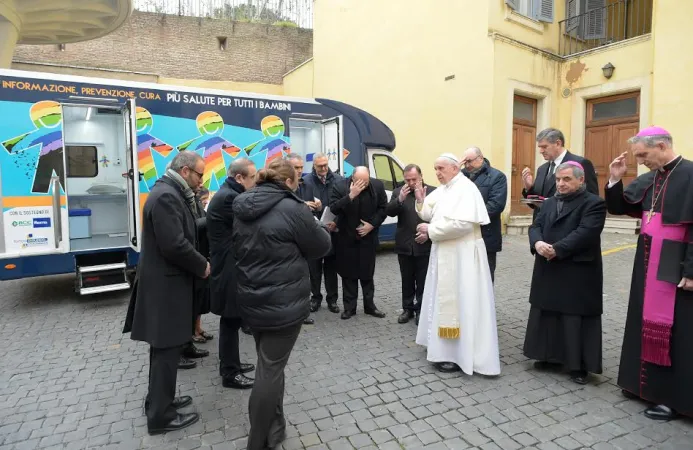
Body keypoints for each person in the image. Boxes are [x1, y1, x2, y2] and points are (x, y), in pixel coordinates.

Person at [232, 159, 332, 450]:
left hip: (252, 298)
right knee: (270, 368)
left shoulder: (240, 203)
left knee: (270, 364)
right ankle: (258, 439)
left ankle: (275, 428)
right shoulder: (294, 208)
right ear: (288, 182)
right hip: (284, 304)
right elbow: (321, 246)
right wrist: (319, 226)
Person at [605, 126, 693, 421]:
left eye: (643, 155)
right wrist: (616, 179)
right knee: (642, 320)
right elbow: (620, 207)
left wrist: (692, 270)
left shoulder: (691, 174)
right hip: (647, 258)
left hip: (676, 259)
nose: (640, 161)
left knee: (677, 330)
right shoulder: (650, 178)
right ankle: (641, 386)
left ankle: (673, 399)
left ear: (661, 145)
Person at [126, 151, 210, 434]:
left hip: (167, 285)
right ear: (185, 171)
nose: (202, 180)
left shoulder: (169, 192)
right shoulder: (166, 196)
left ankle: (159, 401)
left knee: (164, 350)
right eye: (200, 174)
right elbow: (174, 244)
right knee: (166, 351)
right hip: (166, 288)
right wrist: (202, 265)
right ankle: (160, 417)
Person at [414, 153, 500, 375]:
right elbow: (428, 213)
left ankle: (457, 354)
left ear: (455, 168)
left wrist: (430, 230)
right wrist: (420, 199)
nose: (437, 173)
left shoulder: (466, 188)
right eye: (435, 169)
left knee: (462, 302)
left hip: (462, 256)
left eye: (441, 168)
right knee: (442, 299)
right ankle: (442, 348)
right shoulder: (445, 189)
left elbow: (462, 224)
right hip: (445, 251)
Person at [524, 161, 606, 385]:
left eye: (567, 179)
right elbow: (536, 226)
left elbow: (586, 233)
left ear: (581, 180)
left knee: (573, 316)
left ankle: (577, 365)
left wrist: (557, 250)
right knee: (548, 312)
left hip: (576, 268)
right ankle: (548, 356)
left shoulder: (594, 203)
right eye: (558, 179)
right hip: (548, 266)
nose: (560, 183)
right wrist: (538, 243)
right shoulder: (549, 202)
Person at [207, 158, 256, 390]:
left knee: (233, 319)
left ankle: (231, 363)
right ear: (239, 178)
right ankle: (229, 373)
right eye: (252, 177)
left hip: (229, 264)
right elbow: (252, 219)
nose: (255, 182)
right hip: (228, 267)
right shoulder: (230, 197)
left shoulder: (228, 192)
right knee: (230, 319)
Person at [330, 166, 388, 320]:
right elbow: (334, 208)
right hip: (346, 238)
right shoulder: (340, 186)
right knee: (348, 275)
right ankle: (350, 308)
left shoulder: (377, 185)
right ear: (352, 178)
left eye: (366, 181)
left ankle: (370, 306)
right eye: (360, 181)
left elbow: (383, 209)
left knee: (367, 274)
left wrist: (371, 225)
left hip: (368, 238)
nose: (363, 184)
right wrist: (350, 195)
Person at [385, 164, 435, 325]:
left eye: (414, 179)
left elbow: (438, 217)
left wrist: (429, 233)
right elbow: (389, 211)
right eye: (408, 180)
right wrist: (399, 199)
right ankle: (407, 309)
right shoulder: (398, 192)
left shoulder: (433, 192)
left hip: (425, 244)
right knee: (406, 279)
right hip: (404, 243)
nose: (411, 183)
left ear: (421, 176)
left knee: (423, 279)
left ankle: (421, 309)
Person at [522, 128, 598, 220]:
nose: (541, 151)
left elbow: (591, 201)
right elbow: (535, 205)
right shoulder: (541, 169)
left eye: (544, 147)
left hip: (568, 226)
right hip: (540, 227)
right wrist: (529, 188)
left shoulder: (580, 163)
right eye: (540, 147)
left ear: (558, 143)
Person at [285, 153, 324, 325]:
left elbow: (311, 208)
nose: (300, 171)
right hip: (289, 240)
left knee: (305, 277)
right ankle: (291, 312)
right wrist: (302, 206)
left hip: (304, 237)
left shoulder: (307, 184)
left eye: (301, 167)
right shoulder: (282, 186)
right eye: (296, 167)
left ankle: (304, 310)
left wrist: (316, 206)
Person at [303, 153, 342, 314]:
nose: (324, 168)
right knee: (314, 268)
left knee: (331, 268)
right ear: (314, 166)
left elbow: (343, 205)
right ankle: (315, 298)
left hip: (332, 231)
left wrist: (337, 222)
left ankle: (332, 300)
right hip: (313, 231)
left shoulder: (338, 180)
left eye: (326, 164)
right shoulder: (306, 182)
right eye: (320, 166)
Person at [461, 147, 508, 282]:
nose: (467, 165)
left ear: (480, 158)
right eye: (465, 162)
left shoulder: (497, 176)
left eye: (470, 161)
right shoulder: (461, 175)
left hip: (486, 236)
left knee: (484, 279)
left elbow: (495, 205)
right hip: (463, 235)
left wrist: (468, 217)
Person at [193, 187, 213, 344]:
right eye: (203, 200)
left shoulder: (199, 207)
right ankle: (193, 331)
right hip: (196, 255)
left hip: (204, 255)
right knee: (195, 298)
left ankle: (198, 327)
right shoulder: (192, 205)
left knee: (201, 298)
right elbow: (194, 226)